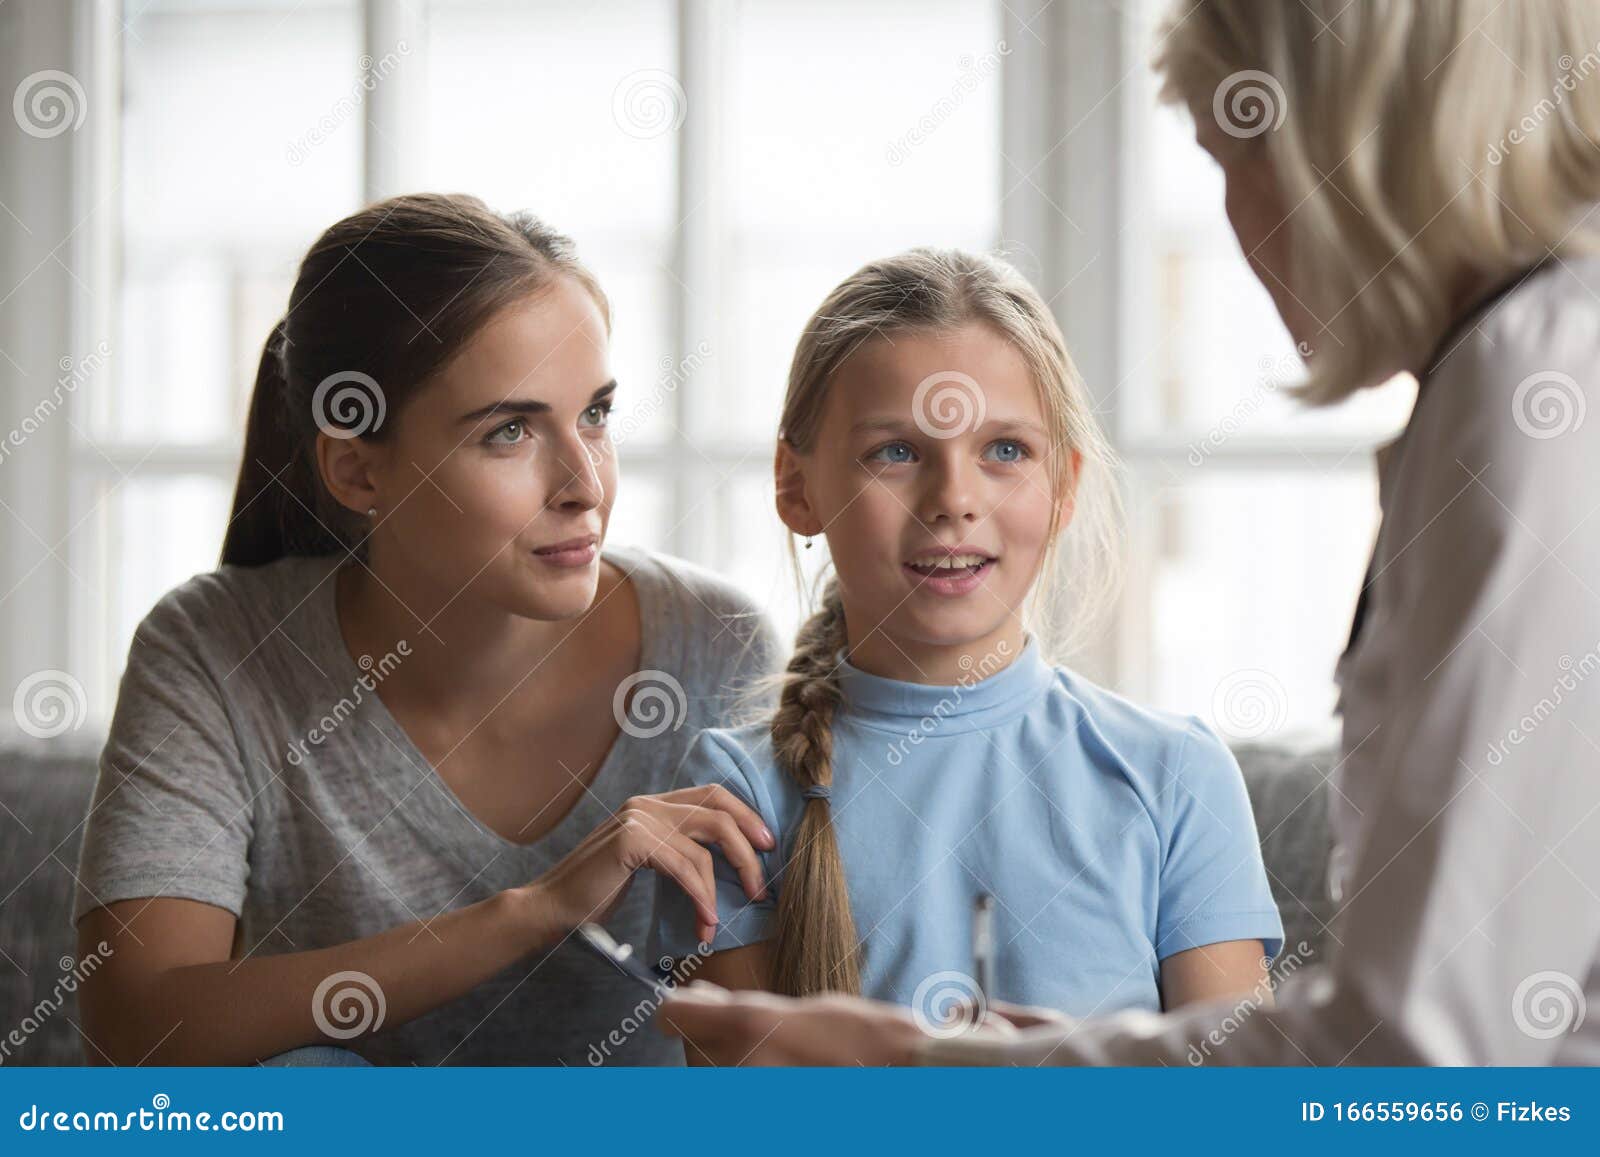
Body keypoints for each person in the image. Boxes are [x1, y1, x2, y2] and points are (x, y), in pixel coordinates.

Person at [658, 0, 1600, 1065]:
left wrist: (955, 1075)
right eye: (895, 451)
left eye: (1230, 152)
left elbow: (1430, 1059)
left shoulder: (1540, 397)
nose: (1238, 218)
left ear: (1347, 136)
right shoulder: (1512, 378)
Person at [73, 193, 780, 1065]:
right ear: (357, 468)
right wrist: (534, 908)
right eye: (510, 431)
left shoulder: (717, 642)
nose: (586, 483)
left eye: (595, 413)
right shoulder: (215, 649)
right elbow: (140, 1019)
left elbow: (767, 1051)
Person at [651, 247, 1282, 1054]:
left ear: (1064, 487)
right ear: (796, 485)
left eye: (1006, 451)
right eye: (896, 452)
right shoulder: (734, 797)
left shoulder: (1176, 774)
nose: (954, 499)